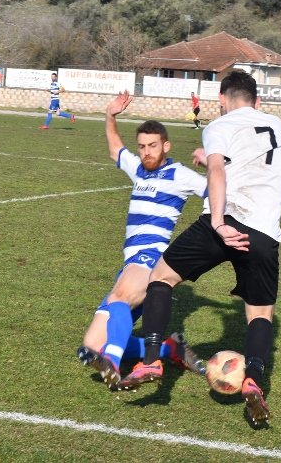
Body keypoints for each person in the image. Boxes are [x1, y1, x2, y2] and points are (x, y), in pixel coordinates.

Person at [118, 70, 281, 428]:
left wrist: (218, 224)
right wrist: (210, 152)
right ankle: (254, 377)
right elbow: (245, 157)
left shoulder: (218, 125)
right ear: (257, 101)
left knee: (161, 277)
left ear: (222, 100)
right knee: (260, 314)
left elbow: (218, 171)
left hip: (224, 222)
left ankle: (151, 358)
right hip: (264, 233)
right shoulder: (275, 124)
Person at [77, 91, 208, 389]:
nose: (147, 151)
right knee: (91, 344)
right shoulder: (138, 169)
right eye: (142, 147)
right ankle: (169, 348)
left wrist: (214, 162)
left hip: (151, 257)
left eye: (153, 146)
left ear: (166, 146)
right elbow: (115, 150)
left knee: (119, 299)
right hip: (130, 263)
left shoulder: (179, 174)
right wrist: (110, 116)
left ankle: (112, 360)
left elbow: (216, 191)